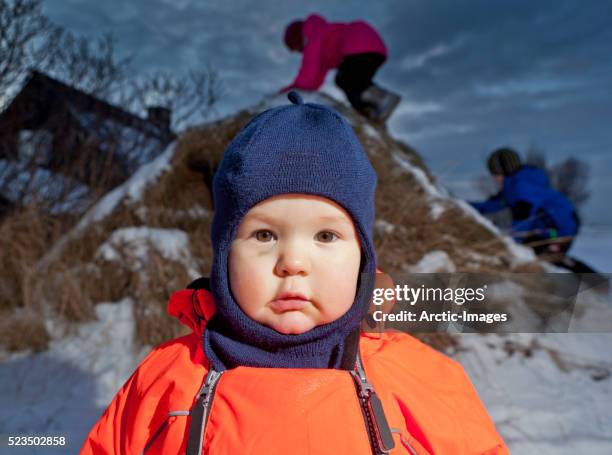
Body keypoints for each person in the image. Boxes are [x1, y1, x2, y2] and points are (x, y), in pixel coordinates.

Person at [81, 92, 508, 454]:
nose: (293, 262)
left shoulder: (423, 380)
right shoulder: (166, 378)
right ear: (225, 254)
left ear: (363, 257)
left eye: (325, 236)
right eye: (264, 235)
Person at [469, 147, 593, 270]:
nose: (494, 178)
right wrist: (465, 205)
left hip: (562, 227)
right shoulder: (511, 186)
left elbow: (523, 213)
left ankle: (596, 283)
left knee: (547, 257)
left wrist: (513, 243)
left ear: (505, 170)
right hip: (546, 227)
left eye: (496, 173)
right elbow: (495, 204)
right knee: (540, 255)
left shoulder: (523, 184)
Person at [281, 13, 401, 123]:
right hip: (368, 48)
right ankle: (368, 111)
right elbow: (316, 76)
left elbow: (310, 66)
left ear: (299, 38)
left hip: (361, 42)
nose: (300, 52)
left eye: (297, 48)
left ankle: (383, 98)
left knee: (348, 78)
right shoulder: (321, 45)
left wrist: (294, 88)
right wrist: (305, 88)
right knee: (343, 81)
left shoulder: (314, 33)